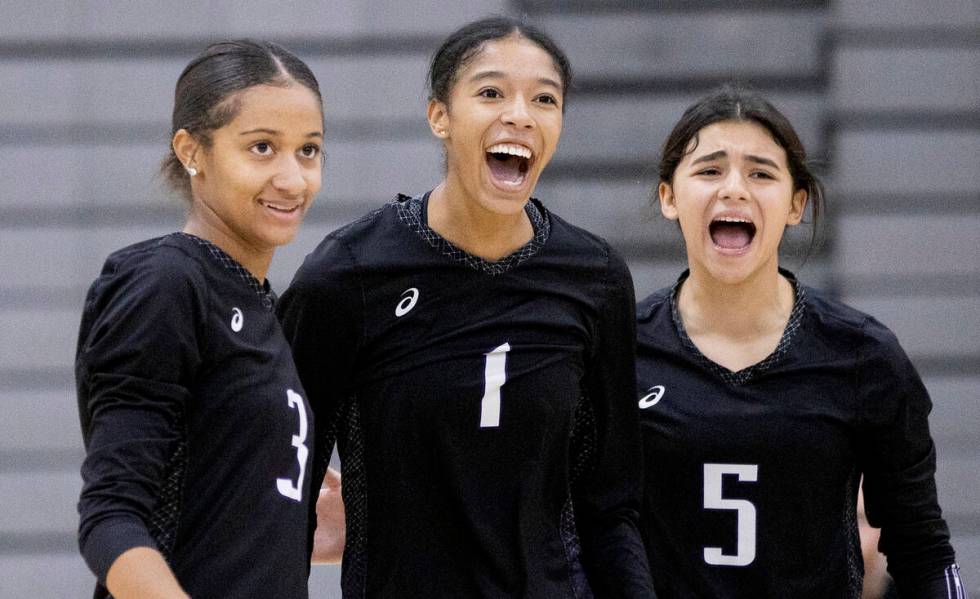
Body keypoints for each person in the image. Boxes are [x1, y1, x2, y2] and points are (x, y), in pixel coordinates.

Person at [278, 16, 655, 598]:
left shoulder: (595, 278)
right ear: (440, 117)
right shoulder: (348, 275)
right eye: (491, 92)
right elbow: (285, 490)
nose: (521, 115)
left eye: (545, 99)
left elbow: (611, 504)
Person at [635, 84, 966, 598]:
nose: (734, 189)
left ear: (796, 204)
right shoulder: (619, 348)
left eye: (761, 173)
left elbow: (922, 549)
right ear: (669, 197)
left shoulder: (862, 355)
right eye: (709, 170)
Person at [75, 39, 324, 599]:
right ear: (192, 151)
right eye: (262, 147)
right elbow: (110, 515)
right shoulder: (166, 282)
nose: (292, 178)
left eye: (308, 151)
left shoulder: (258, 303)